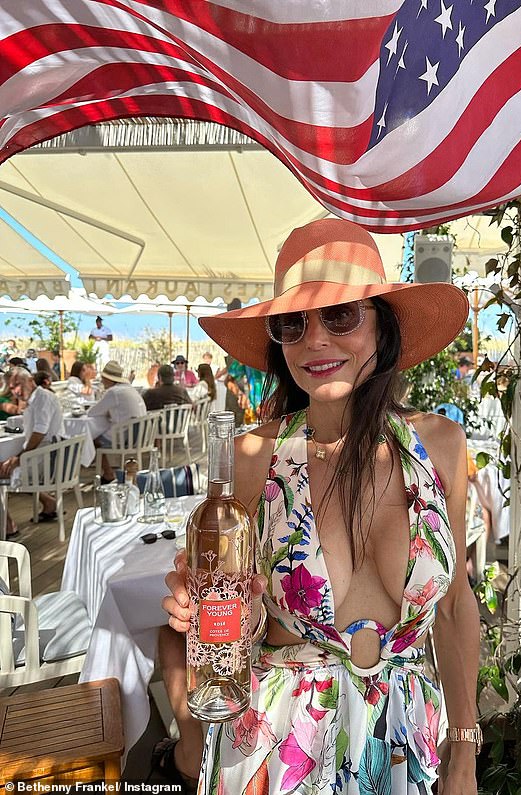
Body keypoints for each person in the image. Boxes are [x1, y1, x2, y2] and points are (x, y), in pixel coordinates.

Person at [162, 218, 480, 794]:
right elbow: (232, 615)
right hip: (280, 752)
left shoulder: (440, 447)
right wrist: (204, 614)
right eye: (293, 323)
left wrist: (464, 752)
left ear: (382, 328)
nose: (315, 341)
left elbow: (455, 606)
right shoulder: (252, 457)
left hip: (405, 748)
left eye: (340, 315)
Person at [0, 367, 63, 534]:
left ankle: (7, 525)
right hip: (49, 456)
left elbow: (39, 433)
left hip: (49, 460)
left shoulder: (42, 398)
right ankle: (48, 502)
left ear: (30, 380)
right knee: (7, 464)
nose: (16, 391)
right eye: (12, 388)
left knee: (3, 468)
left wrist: (18, 458)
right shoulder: (35, 399)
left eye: (17, 385)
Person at [87, 360, 146, 483]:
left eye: (103, 378)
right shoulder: (129, 389)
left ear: (108, 379)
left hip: (124, 437)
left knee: (91, 438)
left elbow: (92, 412)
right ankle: (108, 473)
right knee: (97, 434)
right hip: (138, 434)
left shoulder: (113, 392)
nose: (102, 381)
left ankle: (108, 473)